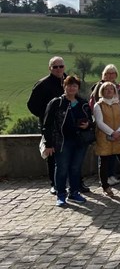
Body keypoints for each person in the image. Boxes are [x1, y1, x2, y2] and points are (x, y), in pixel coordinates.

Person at [42, 75, 93, 206]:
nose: (71, 88)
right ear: (64, 87)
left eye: (74, 86)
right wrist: (48, 143)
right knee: (62, 168)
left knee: (76, 168)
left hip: (79, 141)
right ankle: (61, 194)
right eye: (69, 85)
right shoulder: (56, 103)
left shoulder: (83, 103)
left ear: (78, 88)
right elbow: (47, 124)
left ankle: (74, 192)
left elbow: (91, 121)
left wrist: (87, 125)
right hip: (62, 141)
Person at [28, 56, 67, 195]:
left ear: (64, 67)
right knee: (52, 155)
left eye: (61, 66)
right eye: (55, 67)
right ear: (50, 68)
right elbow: (31, 105)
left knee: (71, 154)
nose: (58, 69)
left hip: (68, 125)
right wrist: (45, 116)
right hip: (50, 126)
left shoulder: (70, 81)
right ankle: (55, 184)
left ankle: (76, 183)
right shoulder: (42, 84)